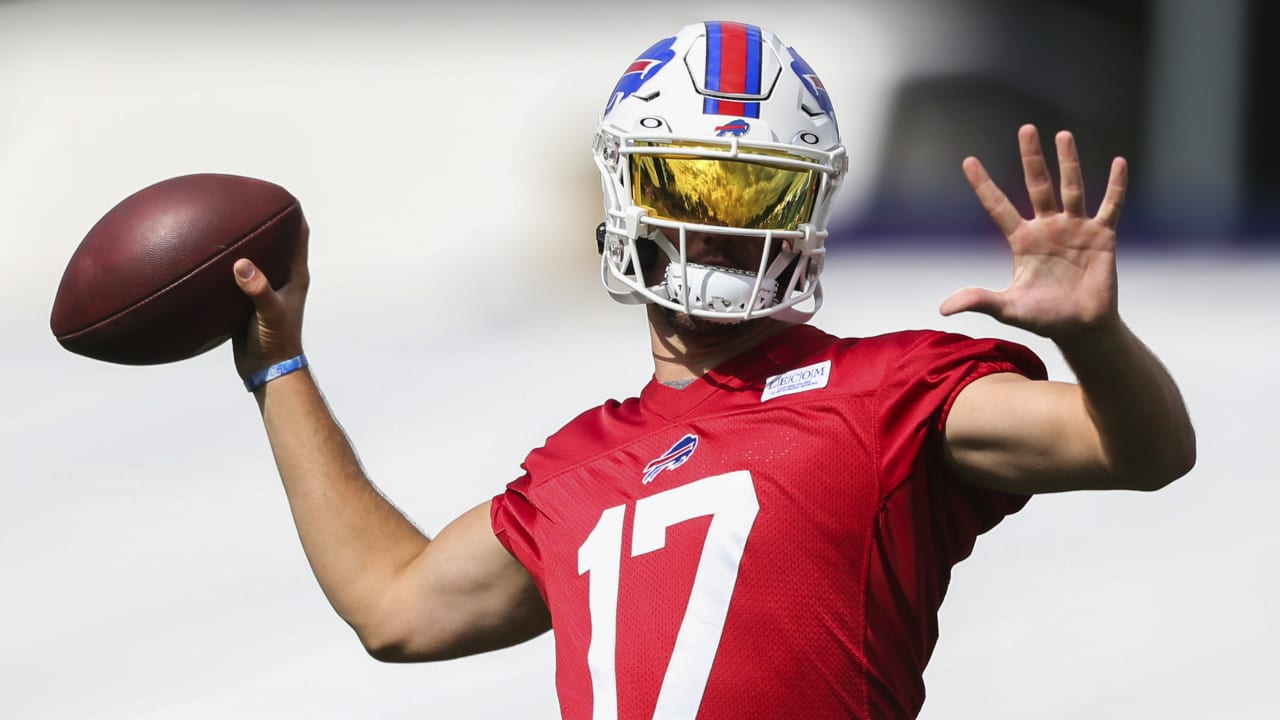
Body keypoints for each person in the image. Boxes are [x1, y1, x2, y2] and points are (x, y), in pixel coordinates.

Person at [229, 21, 1195, 720]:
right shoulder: (575, 470)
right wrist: (283, 371)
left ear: (805, 213)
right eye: (686, 183)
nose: (719, 222)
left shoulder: (890, 391)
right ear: (626, 193)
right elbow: (395, 608)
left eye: (754, 190)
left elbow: (1141, 450)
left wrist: (1093, 336)